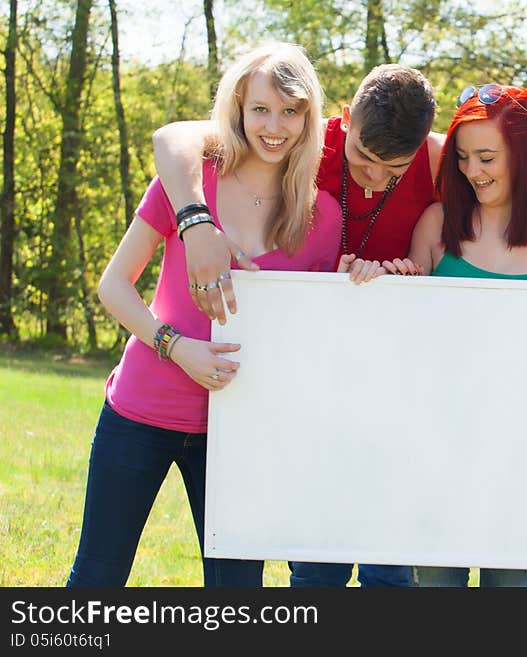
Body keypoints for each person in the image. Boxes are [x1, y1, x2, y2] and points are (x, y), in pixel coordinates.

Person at [150, 65, 527, 588]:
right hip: (353, 384)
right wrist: (195, 218)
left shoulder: (501, 194)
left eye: (394, 166)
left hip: (493, 445)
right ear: (344, 124)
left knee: (455, 574)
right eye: (363, 159)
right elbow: (176, 138)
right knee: (334, 557)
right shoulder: (309, 142)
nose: (374, 176)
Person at [66, 42, 344, 586]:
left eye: (291, 112)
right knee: (96, 582)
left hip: (240, 430)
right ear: (238, 107)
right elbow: (114, 287)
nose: (275, 126)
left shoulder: (323, 218)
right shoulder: (191, 184)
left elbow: (314, 334)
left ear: (309, 119)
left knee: (236, 595)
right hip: (140, 412)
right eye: (262, 108)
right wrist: (176, 346)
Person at [381, 84, 527, 586]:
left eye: (487, 157)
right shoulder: (437, 223)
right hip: (438, 453)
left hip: (522, 461)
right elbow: (402, 337)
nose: (473, 171)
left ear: (526, 155)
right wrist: (396, 284)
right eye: (464, 157)